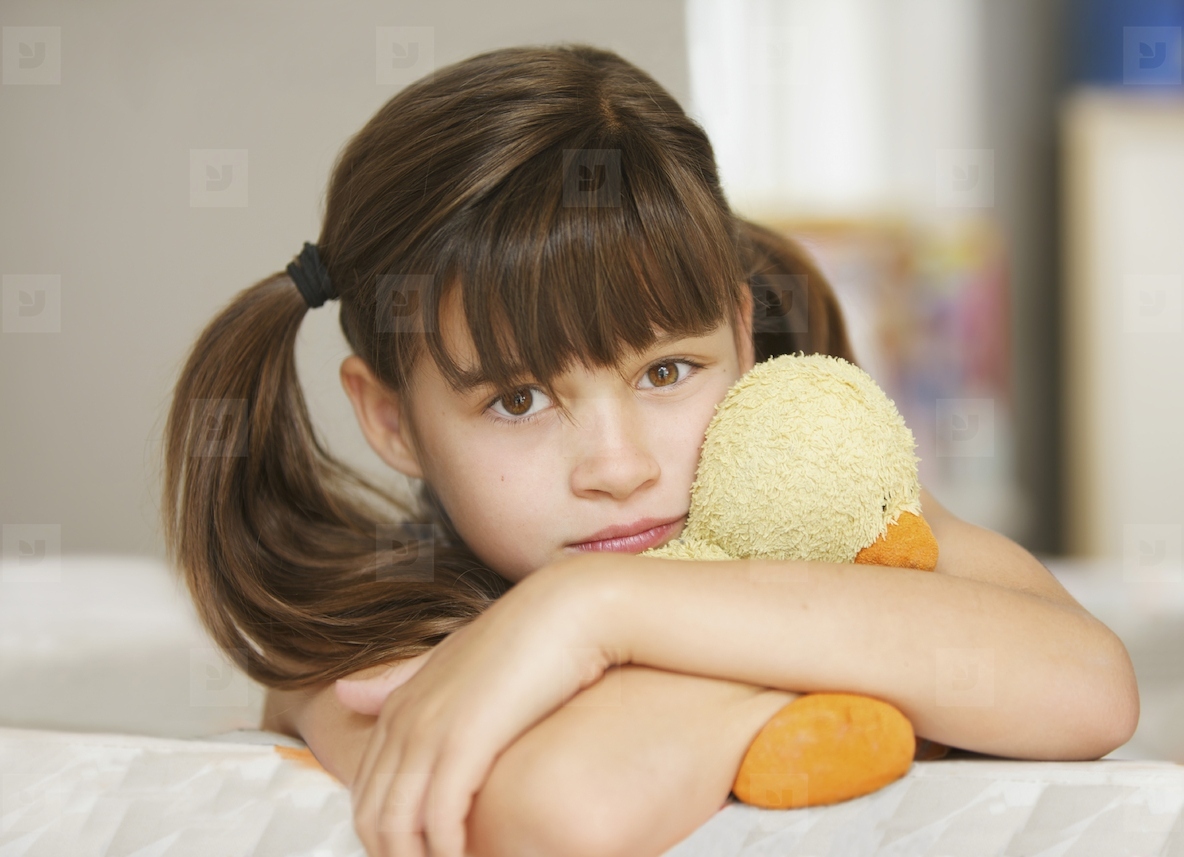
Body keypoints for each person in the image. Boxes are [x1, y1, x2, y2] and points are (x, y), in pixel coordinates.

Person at [161, 44, 1139, 857]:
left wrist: (598, 609)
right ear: (391, 421)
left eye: (667, 373)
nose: (616, 465)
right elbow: (563, 810)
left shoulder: (802, 499)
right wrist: (843, 632)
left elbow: (1088, 686)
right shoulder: (358, 637)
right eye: (517, 399)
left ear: (741, 335)